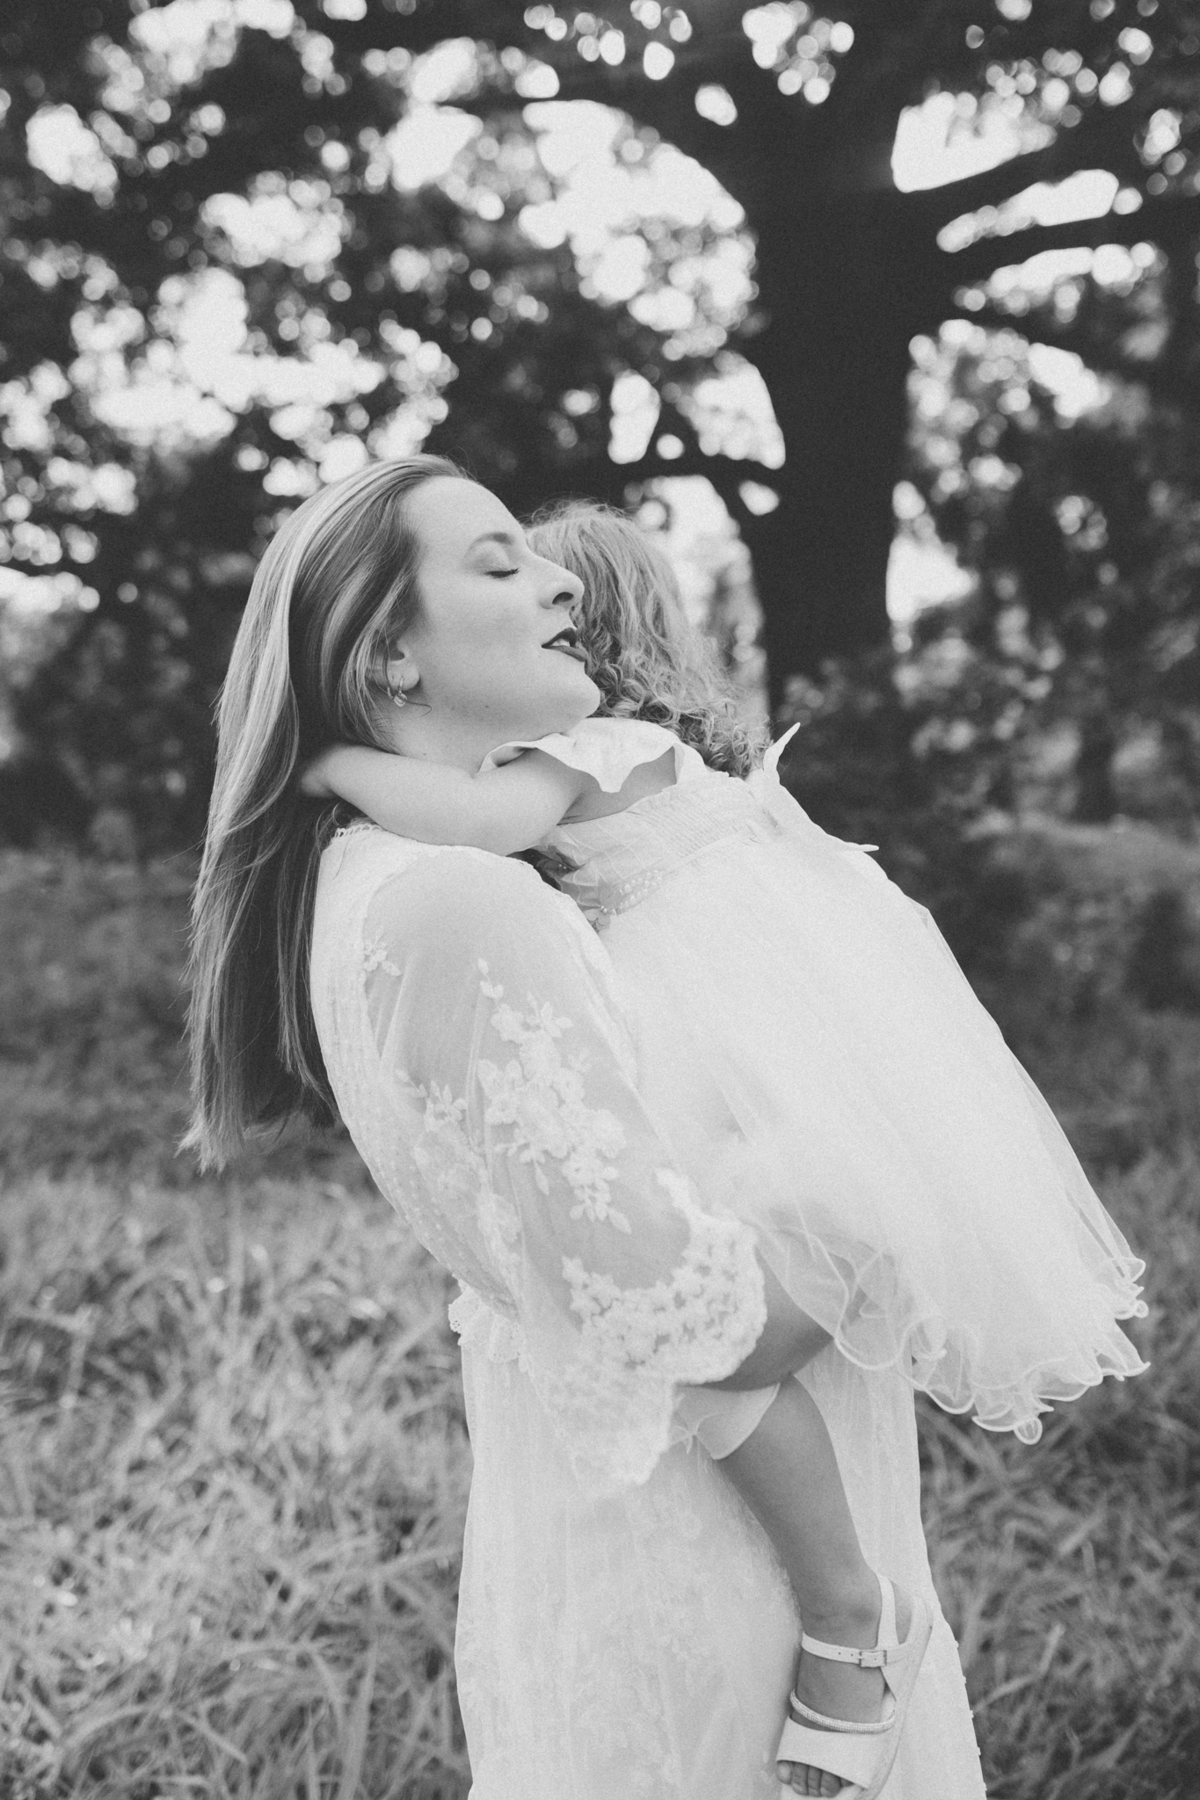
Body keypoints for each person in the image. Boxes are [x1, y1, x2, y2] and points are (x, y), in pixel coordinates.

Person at [182, 456, 1130, 1800]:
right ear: (386, 650)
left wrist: (319, 761)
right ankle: (849, 1608)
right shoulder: (465, 899)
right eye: (500, 561)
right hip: (685, 1559)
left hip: (631, 1482)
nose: (557, 583)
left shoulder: (427, 865)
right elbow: (687, 1326)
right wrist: (875, 1226)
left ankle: (851, 1606)